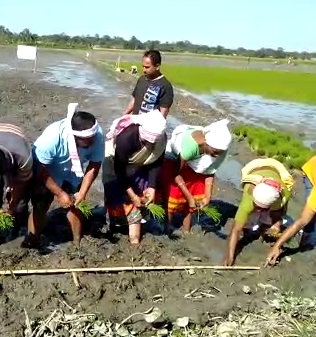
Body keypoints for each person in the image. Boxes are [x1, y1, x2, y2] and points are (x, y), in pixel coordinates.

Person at [23, 103, 104, 248]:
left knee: (76, 205)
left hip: (73, 172)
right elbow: (40, 168)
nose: (92, 141)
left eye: (93, 137)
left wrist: (82, 192)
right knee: (41, 204)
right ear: (75, 136)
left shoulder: (96, 135)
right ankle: (32, 241)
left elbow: (94, 165)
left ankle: (77, 242)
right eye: (88, 139)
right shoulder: (51, 139)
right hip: (48, 171)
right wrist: (59, 193)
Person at [102, 110, 167, 244]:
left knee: (139, 200)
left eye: (153, 142)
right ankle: (116, 225)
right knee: (116, 197)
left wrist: (151, 186)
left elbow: (156, 161)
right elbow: (119, 171)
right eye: (147, 142)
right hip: (115, 164)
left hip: (140, 164)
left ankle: (134, 236)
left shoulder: (161, 139)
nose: (150, 145)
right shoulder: (126, 137)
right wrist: (132, 195)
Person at [159, 119, 232, 233]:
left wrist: (207, 196)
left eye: (219, 152)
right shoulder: (190, 146)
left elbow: (210, 171)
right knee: (172, 199)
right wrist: (188, 196)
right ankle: (167, 228)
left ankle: (186, 231)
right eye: (214, 151)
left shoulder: (220, 151)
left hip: (195, 168)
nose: (216, 155)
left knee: (190, 204)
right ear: (206, 143)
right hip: (175, 164)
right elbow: (176, 173)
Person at [222, 158, 294, 266]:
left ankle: (262, 229)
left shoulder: (282, 196)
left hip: (277, 170)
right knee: (246, 221)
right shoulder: (248, 198)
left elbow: (281, 212)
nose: (259, 210)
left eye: (263, 208)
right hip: (255, 168)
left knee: (274, 219)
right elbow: (235, 230)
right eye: (257, 207)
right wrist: (230, 257)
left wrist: (276, 225)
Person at [123, 50, 174, 118]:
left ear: (157, 66)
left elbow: (164, 111)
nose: (144, 70)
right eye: (143, 66)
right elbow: (134, 99)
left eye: (147, 67)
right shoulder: (142, 79)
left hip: (149, 126)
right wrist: (125, 115)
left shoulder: (165, 86)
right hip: (135, 121)